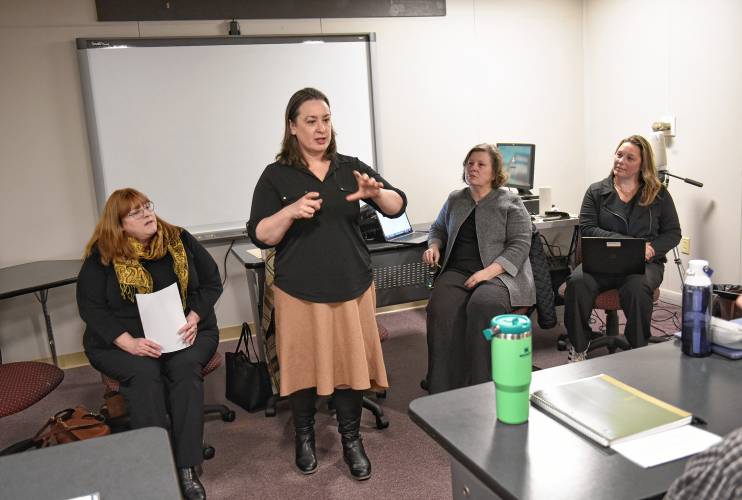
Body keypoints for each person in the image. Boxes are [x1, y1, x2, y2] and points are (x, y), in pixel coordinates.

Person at [246, 87, 405, 480]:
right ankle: (304, 436)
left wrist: (376, 194)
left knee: (350, 367)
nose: (321, 129)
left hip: (351, 285)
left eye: (326, 120)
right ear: (292, 127)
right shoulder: (276, 175)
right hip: (299, 289)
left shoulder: (348, 165)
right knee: (302, 367)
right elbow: (261, 234)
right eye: (311, 121)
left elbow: (398, 204)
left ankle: (352, 440)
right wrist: (289, 211)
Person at [77, 188, 222, 500]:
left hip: (187, 330)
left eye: (147, 207)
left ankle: (186, 466)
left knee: (184, 367)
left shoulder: (178, 239)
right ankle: (157, 465)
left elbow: (211, 282)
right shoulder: (103, 254)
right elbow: (91, 308)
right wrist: (127, 342)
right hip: (121, 340)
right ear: (119, 225)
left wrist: (195, 317)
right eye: (135, 212)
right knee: (144, 374)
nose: (147, 214)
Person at [422, 143, 536, 394]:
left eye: (480, 164)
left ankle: (480, 384)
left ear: (495, 173)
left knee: (483, 307)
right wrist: (435, 246)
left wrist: (487, 273)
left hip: (500, 275)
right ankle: (441, 385)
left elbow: (520, 244)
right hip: (458, 271)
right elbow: (438, 228)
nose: (473, 168)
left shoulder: (510, 201)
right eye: (469, 163)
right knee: (440, 308)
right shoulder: (455, 198)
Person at [564, 134, 681, 362]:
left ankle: (638, 350)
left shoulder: (658, 194)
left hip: (643, 264)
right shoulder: (596, 191)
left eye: (630, 158)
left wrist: (652, 249)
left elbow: (673, 233)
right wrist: (632, 244)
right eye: (619, 155)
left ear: (642, 164)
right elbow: (587, 228)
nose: (621, 161)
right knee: (577, 283)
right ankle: (579, 347)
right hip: (601, 262)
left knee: (636, 288)